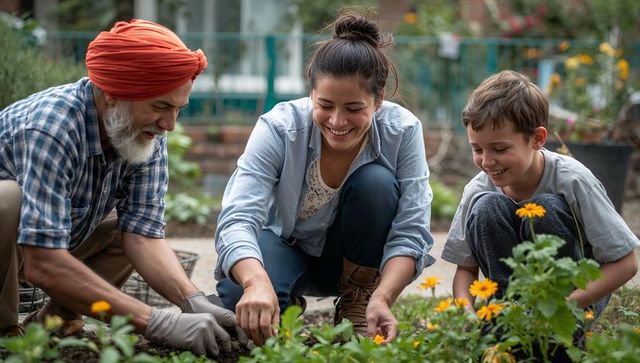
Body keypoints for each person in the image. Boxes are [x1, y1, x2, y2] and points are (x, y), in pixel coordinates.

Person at [0, 19, 246, 356]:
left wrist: (193, 300)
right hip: (13, 252)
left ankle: (55, 324)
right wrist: (157, 322)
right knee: (6, 200)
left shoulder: (141, 134)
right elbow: (43, 261)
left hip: (38, 250)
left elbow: (144, 237)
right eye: (160, 106)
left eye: (178, 109)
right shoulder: (51, 128)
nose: (170, 125)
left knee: (122, 233)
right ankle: (5, 336)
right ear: (113, 95)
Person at [214, 11, 435, 345]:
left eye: (353, 108)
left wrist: (383, 297)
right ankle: (280, 295)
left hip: (355, 260)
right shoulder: (279, 128)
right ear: (311, 93)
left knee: (376, 184)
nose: (337, 121)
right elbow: (238, 217)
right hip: (283, 245)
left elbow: (411, 230)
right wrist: (255, 281)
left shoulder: (402, 131)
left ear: (378, 101)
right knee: (238, 298)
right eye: (326, 105)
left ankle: (357, 305)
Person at [442, 70, 639, 317]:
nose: (487, 161)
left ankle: (555, 329)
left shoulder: (574, 180)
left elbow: (626, 263)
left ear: (537, 138)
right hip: (514, 309)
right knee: (486, 207)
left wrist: (566, 306)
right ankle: (509, 315)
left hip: (576, 301)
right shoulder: (477, 190)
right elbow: (466, 270)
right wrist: (466, 314)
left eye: (500, 148)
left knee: (546, 208)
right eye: (477, 149)